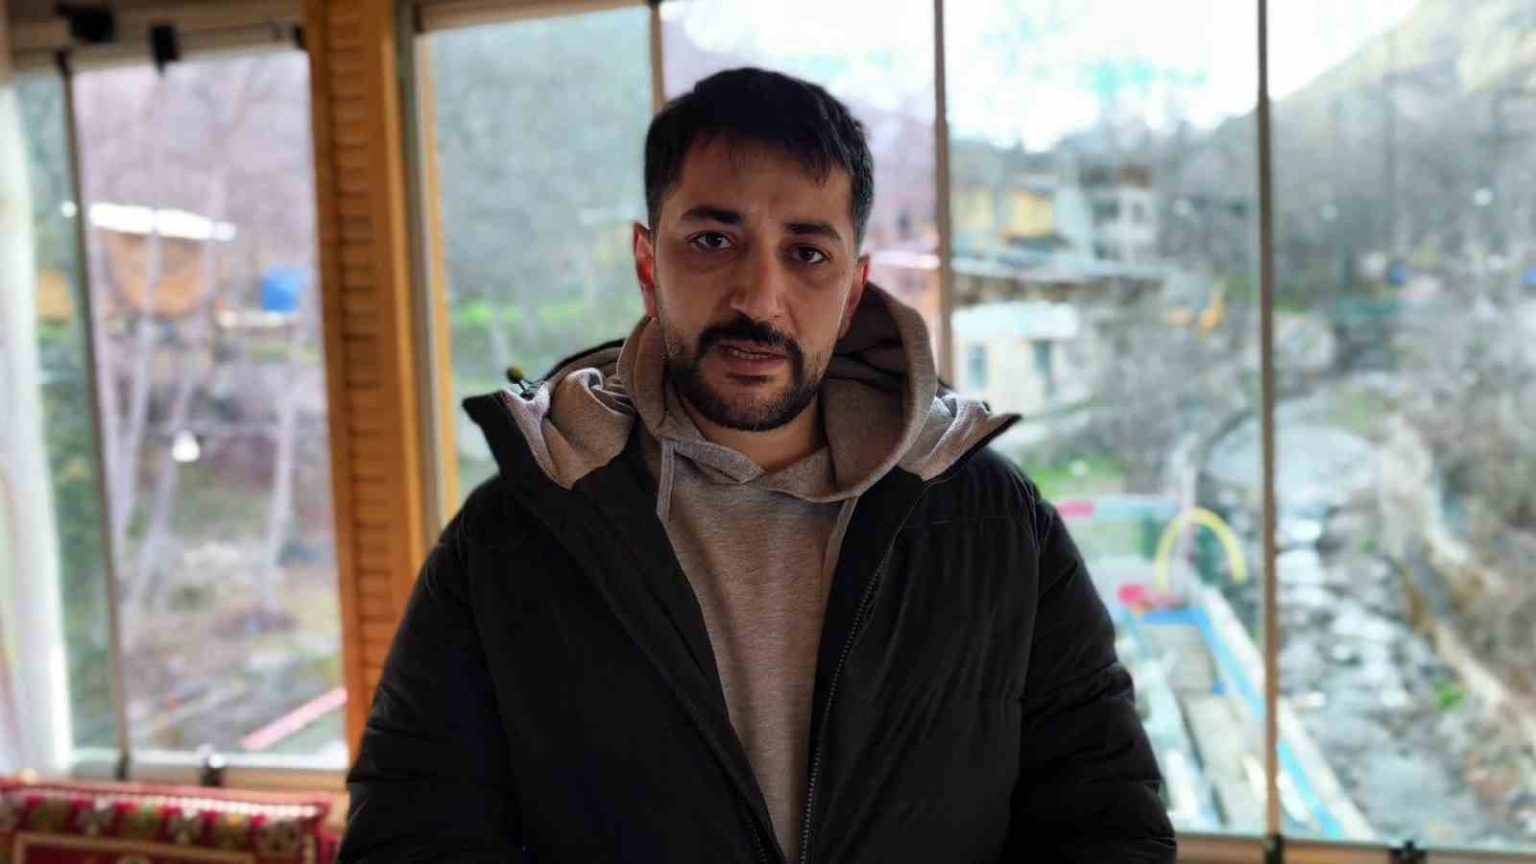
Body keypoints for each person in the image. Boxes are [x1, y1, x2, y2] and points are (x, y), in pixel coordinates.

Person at [339, 67, 1176, 863]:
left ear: (853, 292)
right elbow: (415, 831)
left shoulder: (994, 523)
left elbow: (1106, 820)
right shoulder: (512, 539)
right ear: (648, 266)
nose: (758, 299)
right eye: (712, 240)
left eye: (807, 253)